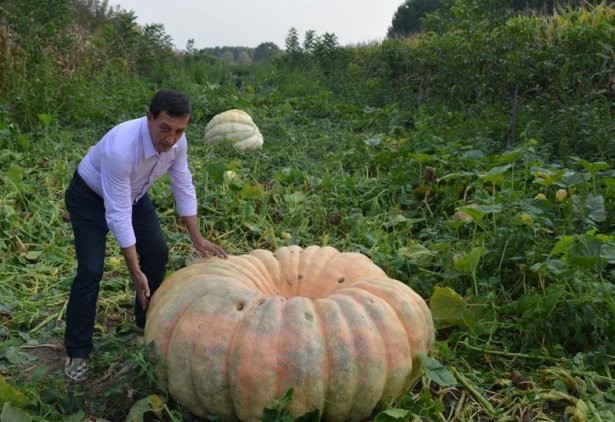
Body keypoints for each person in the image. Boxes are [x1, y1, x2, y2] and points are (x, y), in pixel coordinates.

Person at [63, 89, 227, 381]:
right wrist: (133, 269)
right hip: (88, 198)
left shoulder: (178, 142)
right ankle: (77, 352)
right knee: (90, 270)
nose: (171, 138)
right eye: (165, 128)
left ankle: (144, 322)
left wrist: (197, 238)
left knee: (158, 253)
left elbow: (183, 184)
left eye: (179, 130)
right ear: (149, 116)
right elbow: (117, 213)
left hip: (136, 196)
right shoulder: (121, 149)